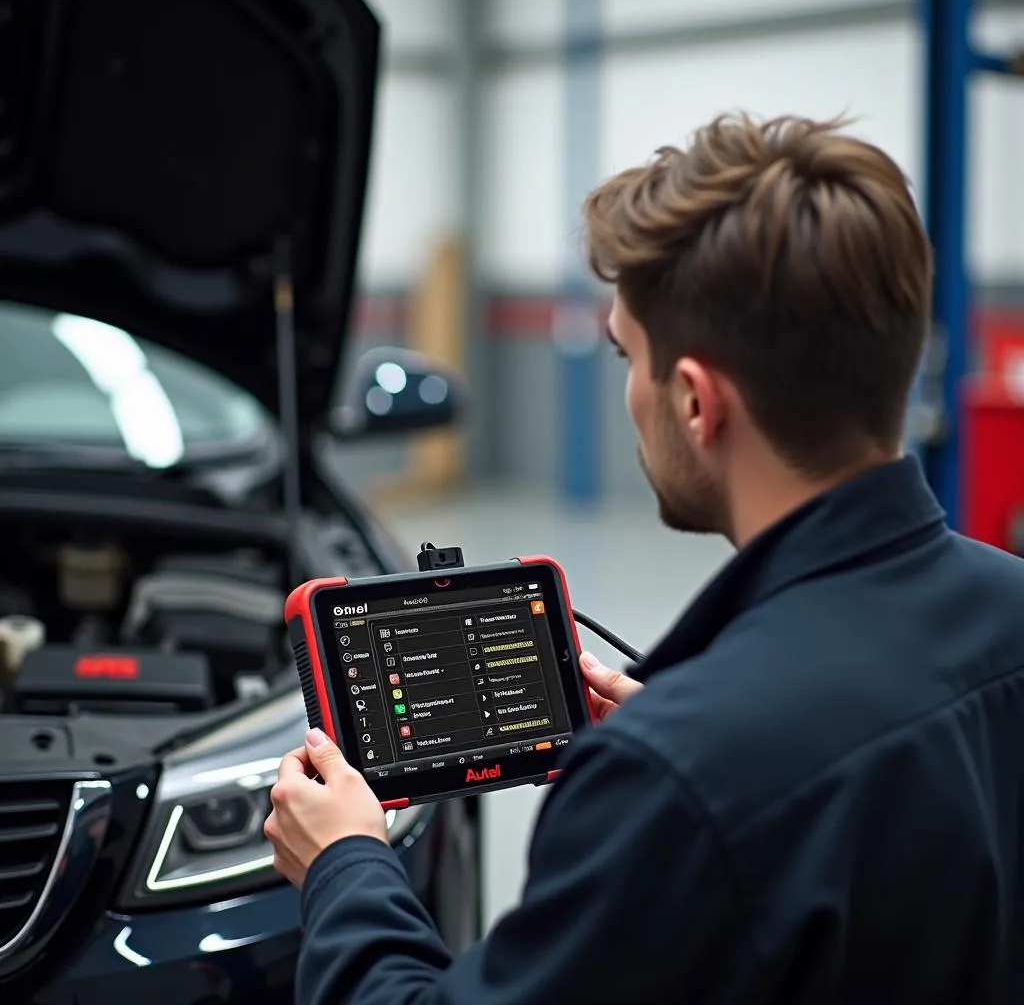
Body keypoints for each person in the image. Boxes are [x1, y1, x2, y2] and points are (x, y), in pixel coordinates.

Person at [265, 113, 1024, 1003]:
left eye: (631, 354)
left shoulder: (673, 780)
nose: (630, 393)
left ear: (697, 402)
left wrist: (345, 866)